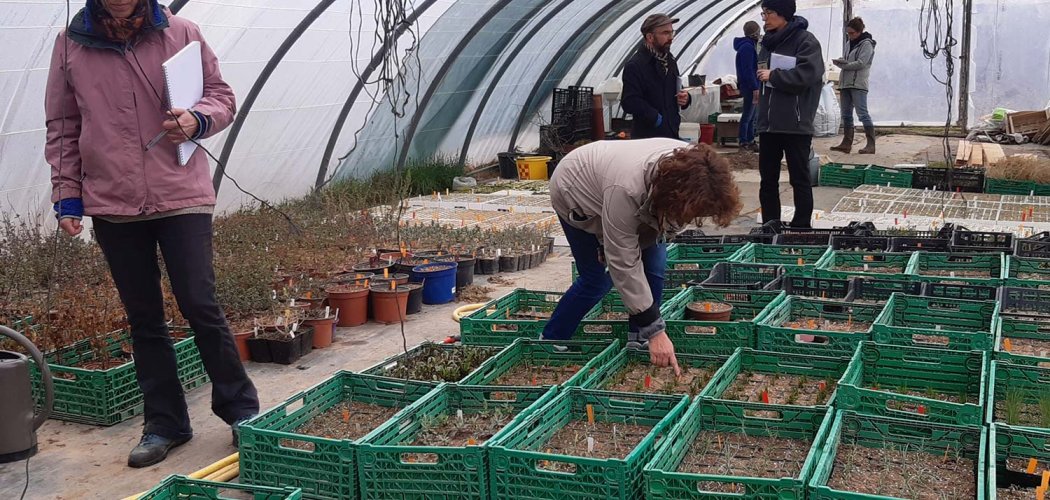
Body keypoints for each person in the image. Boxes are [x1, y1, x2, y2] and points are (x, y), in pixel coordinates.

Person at [46, 0, 259, 468]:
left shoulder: (181, 32)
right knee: (144, 318)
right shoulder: (71, 46)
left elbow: (221, 96)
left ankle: (241, 412)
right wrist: (67, 194)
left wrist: (197, 119)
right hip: (113, 201)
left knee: (200, 303)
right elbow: (64, 126)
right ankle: (165, 423)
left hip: (180, 191)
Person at [542, 139, 742, 375]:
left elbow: (660, 230)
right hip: (576, 188)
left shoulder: (694, 168)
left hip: (618, 181)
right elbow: (624, 262)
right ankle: (551, 340)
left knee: (654, 268)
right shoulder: (626, 190)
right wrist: (657, 331)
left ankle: (639, 338)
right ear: (673, 196)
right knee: (597, 279)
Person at [755, 0, 825, 228]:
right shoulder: (766, 43)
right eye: (763, 13)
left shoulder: (806, 42)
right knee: (768, 181)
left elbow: (808, 75)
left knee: (800, 179)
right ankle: (771, 224)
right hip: (768, 125)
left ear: (783, 14)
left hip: (795, 124)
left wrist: (774, 76)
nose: (764, 18)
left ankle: (801, 225)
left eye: (768, 13)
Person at [622, 14, 692, 140]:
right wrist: (655, 118)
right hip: (648, 137)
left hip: (671, 132)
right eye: (665, 33)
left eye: (672, 32)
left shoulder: (670, 60)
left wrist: (685, 98)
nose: (671, 38)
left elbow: (675, 88)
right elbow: (629, 101)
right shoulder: (636, 65)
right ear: (650, 37)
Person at [831, 17, 877, 154]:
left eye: (852, 33)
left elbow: (862, 63)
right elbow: (849, 60)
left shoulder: (866, 44)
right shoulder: (848, 43)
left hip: (858, 83)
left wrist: (844, 65)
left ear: (859, 32)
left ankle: (871, 144)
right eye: (848, 33)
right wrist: (841, 62)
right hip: (845, 83)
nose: (849, 36)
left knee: (862, 113)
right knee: (846, 114)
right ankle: (846, 143)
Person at [734, 21, 762, 151]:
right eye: (758, 31)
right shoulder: (747, 48)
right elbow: (748, 70)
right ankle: (744, 141)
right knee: (748, 115)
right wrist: (755, 87)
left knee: (752, 115)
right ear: (754, 33)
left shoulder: (749, 46)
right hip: (750, 87)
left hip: (751, 85)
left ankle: (750, 140)